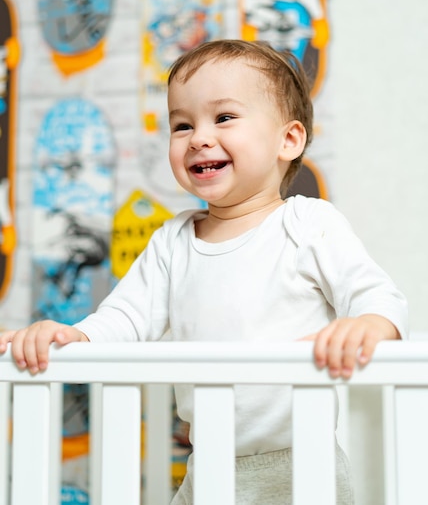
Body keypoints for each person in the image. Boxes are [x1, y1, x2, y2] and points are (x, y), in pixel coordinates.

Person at [0, 40, 407, 504]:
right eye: (182, 124)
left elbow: (377, 297)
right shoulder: (173, 242)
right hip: (208, 463)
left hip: (299, 461)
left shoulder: (307, 224)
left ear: (288, 140)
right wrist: (72, 338)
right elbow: (124, 320)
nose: (198, 137)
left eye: (224, 118)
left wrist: (368, 326)